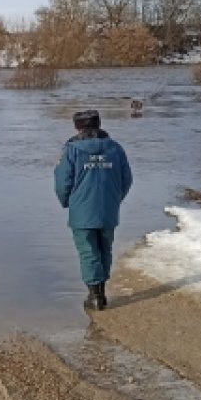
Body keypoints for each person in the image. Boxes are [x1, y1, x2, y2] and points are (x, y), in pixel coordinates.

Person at [54, 109, 133, 311]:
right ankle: (102, 292)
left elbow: (63, 182)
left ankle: (94, 295)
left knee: (88, 251)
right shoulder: (116, 148)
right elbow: (126, 180)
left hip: (81, 210)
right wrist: (115, 199)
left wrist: (66, 202)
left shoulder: (71, 150)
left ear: (77, 127)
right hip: (108, 209)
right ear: (99, 124)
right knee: (105, 248)